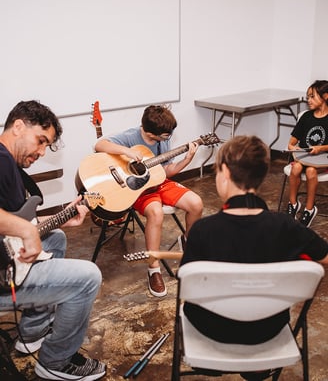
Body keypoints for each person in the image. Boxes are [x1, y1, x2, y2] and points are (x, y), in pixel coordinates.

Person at [180, 135, 328, 346]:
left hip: (212, 329)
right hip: (269, 328)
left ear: (226, 173)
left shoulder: (203, 230)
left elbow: (188, 284)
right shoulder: (287, 227)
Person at [0, 100, 106, 380]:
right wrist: (27, 231)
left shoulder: (10, 166)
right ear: (18, 126)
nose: (42, 151)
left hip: (6, 257)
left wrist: (59, 218)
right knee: (88, 278)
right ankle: (56, 362)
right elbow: (20, 229)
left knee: (56, 237)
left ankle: (32, 334)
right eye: (41, 141)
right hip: (1, 277)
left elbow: (14, 221)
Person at [95, 104, 203, 297]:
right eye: (165, 135)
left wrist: (187, 160)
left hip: (160, 182)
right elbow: (99, 145)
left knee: (196, 203)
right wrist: (127, 152)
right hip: (140, 189)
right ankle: (154, 269)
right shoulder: (130, 137)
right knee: (156, 212)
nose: (168, 137)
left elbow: (166, 171)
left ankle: (188, 241)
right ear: (151, 133)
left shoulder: (163, 141)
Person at [286, 79, 328, 227]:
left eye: (312, 96)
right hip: (303, 158)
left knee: (311, 171)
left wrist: (321, 148)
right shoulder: (306, 117)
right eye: (308, 97)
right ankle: (293, 204)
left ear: (325, 96)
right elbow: (291, 142)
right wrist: (293, 147)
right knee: (296, 168)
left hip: (322, 161)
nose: (308, 100)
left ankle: (309, 209)